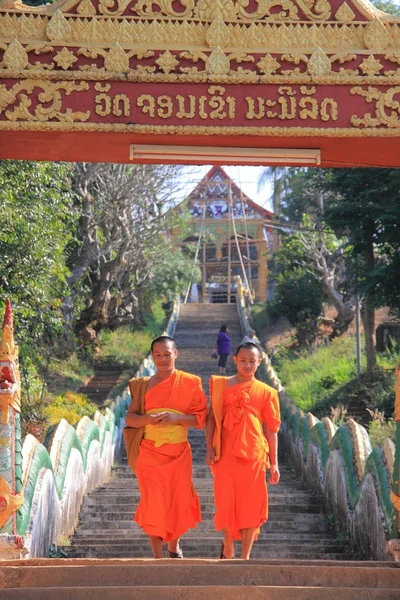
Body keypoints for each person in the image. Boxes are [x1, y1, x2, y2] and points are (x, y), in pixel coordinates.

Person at [125, 336, 207, 559]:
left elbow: (200, 419)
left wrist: (176, 418)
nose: (162, 359)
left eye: (167, 354)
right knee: (154, 503)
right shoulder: (141, 386)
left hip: (179, 452)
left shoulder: (191, 382)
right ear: (152, 356)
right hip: (149, 453)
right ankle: (157, 557)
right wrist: (148, 420)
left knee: (178, 501)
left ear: (176, 354)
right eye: (158, 355)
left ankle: (173, 546)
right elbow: (131, 418)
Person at [205, 342, 281, 560]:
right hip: (225, 454)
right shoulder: (221, 385)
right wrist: (210, 447)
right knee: (226, 502)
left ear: (259, 362)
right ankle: (228, 545)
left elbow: (272, 429)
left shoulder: (267, 392)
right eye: (243, 360)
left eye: (252, 361)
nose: (247, 365)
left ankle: (245, 557)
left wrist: (274, 463)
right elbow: (211, 419)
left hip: (254, 456)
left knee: (251, 505)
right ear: (235, 360)